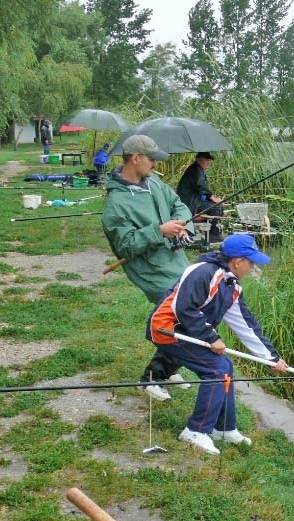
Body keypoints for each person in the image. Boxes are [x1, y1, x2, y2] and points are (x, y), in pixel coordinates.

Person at [148, 233, 288, 454]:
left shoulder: (231, 284)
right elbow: (184, 308)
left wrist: (270, 357)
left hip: (189, 331)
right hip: (168, 329)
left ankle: (223, 427)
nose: (252, 268)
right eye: (251, 262)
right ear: (238, 261)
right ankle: (195, 431)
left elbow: (245, 325)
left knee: (225, 367)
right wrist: (212, 337)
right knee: (216, 369)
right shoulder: (202, 272)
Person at [101, 134, 195, 401]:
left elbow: (180, 206)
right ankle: (153, 378)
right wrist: (159, 230)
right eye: (152, 159)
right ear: (135, 158)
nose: (155, 164)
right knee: (182, 314)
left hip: (176, 260)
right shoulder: (116, 205)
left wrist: (182, 224)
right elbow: (126, 246)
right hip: (150, 270)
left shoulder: (155, 183)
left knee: (188, 311)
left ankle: (169, 367)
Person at [176, 151, 225, 243]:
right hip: (189, 203)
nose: (208, 163)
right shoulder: (196, 170)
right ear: (199, 160)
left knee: (214, 205)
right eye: (206, 160)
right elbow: (201, 186)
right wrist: (213, 198)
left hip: (193, 201)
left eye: (209, 161)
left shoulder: (196, 169)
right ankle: (213, 235)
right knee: (217, 207)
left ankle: (208, 232)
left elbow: (200, 190)